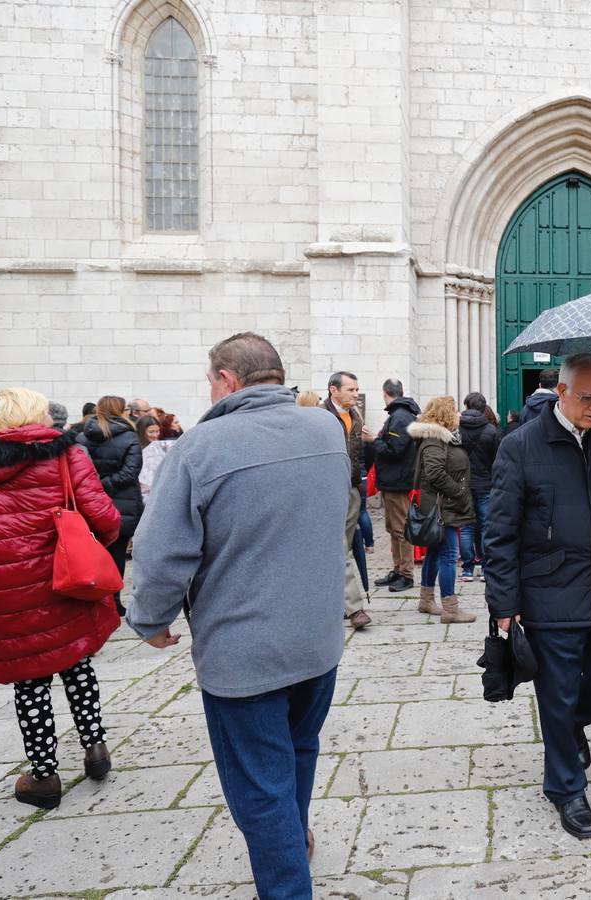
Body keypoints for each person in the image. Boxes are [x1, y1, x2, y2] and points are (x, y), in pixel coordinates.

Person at [128, 333, 348, 897]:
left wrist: (150, 620)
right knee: (298, 750)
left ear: (226, 380)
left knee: (259, 784)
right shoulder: (326, 428)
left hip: (243, 651)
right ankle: (294, 840)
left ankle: (286, 885)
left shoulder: (200, 448)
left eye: (209, 380)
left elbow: (160, 553)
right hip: (317, 637)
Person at [0, 388, 121, 806]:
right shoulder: (64, 456)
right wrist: (95, 543)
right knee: (76, 663)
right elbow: (105, 518)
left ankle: (44, 776)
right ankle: (95, 749)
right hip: (64, 581)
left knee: (30, 683)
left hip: (6, 593)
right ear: (39, 416)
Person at [484, 352, 591, 840]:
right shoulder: (520, 447)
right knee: (555, 690)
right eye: (587, 398)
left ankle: (570, 724)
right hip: (550, 589)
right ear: (562, 393)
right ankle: (566, 787)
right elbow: (500, 531)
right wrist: (504, 605)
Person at [409, 396, 478, 623]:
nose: (459, 414)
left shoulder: (444, 438)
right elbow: (435, 473)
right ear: (445, 414)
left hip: (443, 504)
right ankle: (450, 609)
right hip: (441, 506)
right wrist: (458, 491)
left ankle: (426, 599)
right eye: (455, 410)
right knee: (449, 555)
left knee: (436, 553)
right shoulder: (433, 440)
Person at [77, 396, 143, 616]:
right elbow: (130, 472)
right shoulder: (129, 437)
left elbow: (78, 471)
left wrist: (95, 487)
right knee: (116, 554)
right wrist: (105, 485)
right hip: (120, 503)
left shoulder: (81, 437)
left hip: (90, 503)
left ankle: (97, 600)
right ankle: (113, 599)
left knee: (94, 553)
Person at [324, 371, 376, 629]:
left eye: (357, 390)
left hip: (353, 489)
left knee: (339, 550)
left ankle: (334, 602)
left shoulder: (355, 417)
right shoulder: (321, 416)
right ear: (334, 390)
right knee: (338, 546)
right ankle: (355, 608)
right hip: (330, 489)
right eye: (351, 390)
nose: (356, 394)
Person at [373, 379, 422, 592]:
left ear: (385, 393)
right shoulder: (399, 414)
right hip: (393, 480)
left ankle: (407, 575)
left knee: (401, 530)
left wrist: (373, 440)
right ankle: (398, 570)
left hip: (398, 481)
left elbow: (395, 449)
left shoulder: (400, 416)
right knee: (393, 529)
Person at [457, 392, 499, 582]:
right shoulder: (492, 431)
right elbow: (497, 460)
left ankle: (467, 569)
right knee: (485, 526)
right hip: (486, 484)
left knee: (466, 526)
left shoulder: (457, 430)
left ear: (466, 406)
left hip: (463, 484)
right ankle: (484, 567)